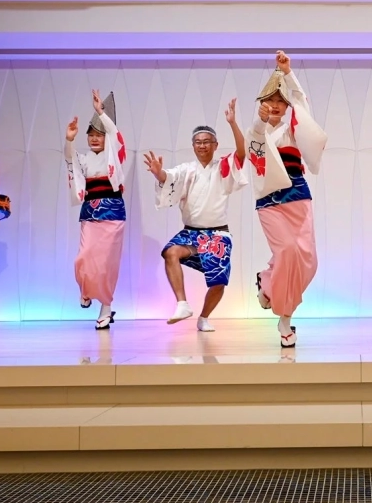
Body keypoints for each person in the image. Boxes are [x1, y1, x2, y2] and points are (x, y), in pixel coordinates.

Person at [145, 99, 248, 332]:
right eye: (198, 142)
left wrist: (232, 123)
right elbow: (168, 178)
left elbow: (242, 153)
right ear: (193, 146)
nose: (202, 146)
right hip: (191, 234)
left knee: (219, 282)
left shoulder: (223, 165)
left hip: (217, 235)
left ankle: (204, 317)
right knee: (170, 252)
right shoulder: (187, 169)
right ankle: (182, 304)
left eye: (206, 142)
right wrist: (159, 173)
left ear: (215, 144)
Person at [248, 51, 328, 348]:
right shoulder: (257, 131)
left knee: (309, 262)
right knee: (287, 252)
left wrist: (288, 72)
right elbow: (254, 146)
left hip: (298, 196)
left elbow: (303, 104)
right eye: (271, 101)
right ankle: (284, 318)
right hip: (270, 202)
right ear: (262, 105)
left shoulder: (293, 129)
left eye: (281, 101)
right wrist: (260, 124)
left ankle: (267, 282)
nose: (276, 107)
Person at [65, 89, 127, 330]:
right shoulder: (85, 159)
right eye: (90, 135)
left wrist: (101, 112)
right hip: (90, 213)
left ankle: (106, 307)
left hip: (112, 213)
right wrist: (69, 139)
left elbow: (115, 134)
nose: (94, 139)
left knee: (106, 264)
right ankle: (86, 290)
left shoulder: (116, 157)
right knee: (84, 257)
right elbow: (69, 159)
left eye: (99, 135)